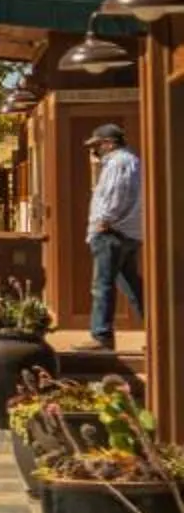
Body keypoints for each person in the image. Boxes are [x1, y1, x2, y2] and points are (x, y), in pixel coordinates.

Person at [88, 122, 144, 347]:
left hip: (113, 233)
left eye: (97, 145)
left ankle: (101, 336)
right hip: (130, 232)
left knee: (102, 285)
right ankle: (158, 330)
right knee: (132, 286)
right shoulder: (132, 161)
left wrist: (104, 220)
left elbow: (115, 194)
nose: (95, 150)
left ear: (109, 144)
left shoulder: (117, 163)